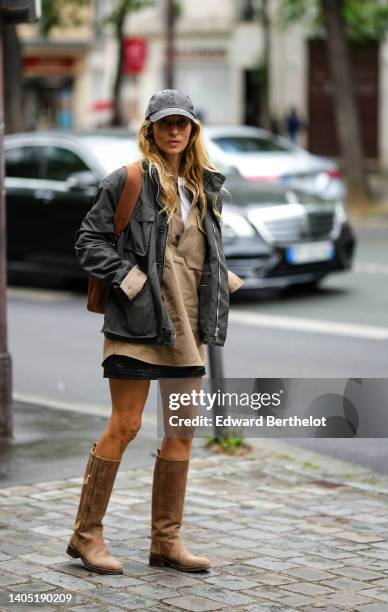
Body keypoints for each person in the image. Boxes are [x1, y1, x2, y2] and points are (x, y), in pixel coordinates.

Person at [66, 89, 244, 575]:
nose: (174, 131)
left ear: (193, 130)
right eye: (165, 123)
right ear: (150, 129)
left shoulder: (205, 186)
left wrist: (221, 282)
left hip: (188, 330)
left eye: (182, 123)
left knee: (182, 432)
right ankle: (86, 536)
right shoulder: (126, 180)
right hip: (137, 325)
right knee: (125, 426)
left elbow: (197, 253)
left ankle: (166, 541)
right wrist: (130, 279)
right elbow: (89, 240)